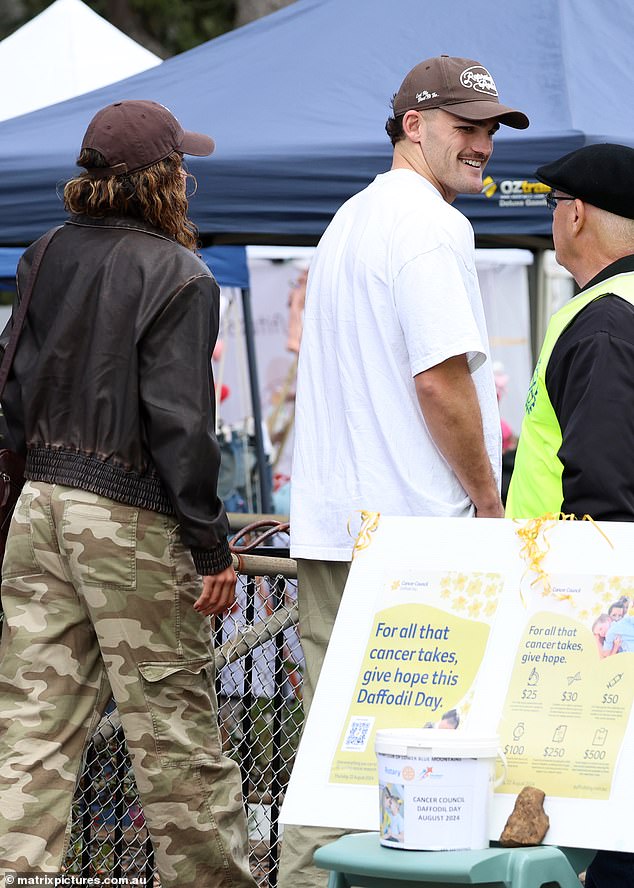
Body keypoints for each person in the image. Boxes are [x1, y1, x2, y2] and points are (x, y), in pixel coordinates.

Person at [282, 55, 528, 887]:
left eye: (490, 129)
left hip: (336, 529)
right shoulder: (429, 223)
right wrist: (489, 504)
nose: (484, 144)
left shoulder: (349, 219)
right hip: (412, 543)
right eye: (467, 126)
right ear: (412, 127)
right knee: (425, 776)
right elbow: (440, 377)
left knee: (336, 760)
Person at [0, 100, 256, 888]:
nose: (190, 177)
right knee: (174, 731)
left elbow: (11, 386)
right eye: (182, 166)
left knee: (30, 731)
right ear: (159, 179)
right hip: (127, 517)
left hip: (38, 505)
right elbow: (181, 427)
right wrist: (210, 545)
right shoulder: (181, 274)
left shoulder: (45, 252)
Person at [505, 142, 634, 888]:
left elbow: (606, 489)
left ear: (575, 214)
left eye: (554, 204)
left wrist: (586, 633)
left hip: (586, 618)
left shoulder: (602, 322)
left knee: (600, 824)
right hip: (598, 612)